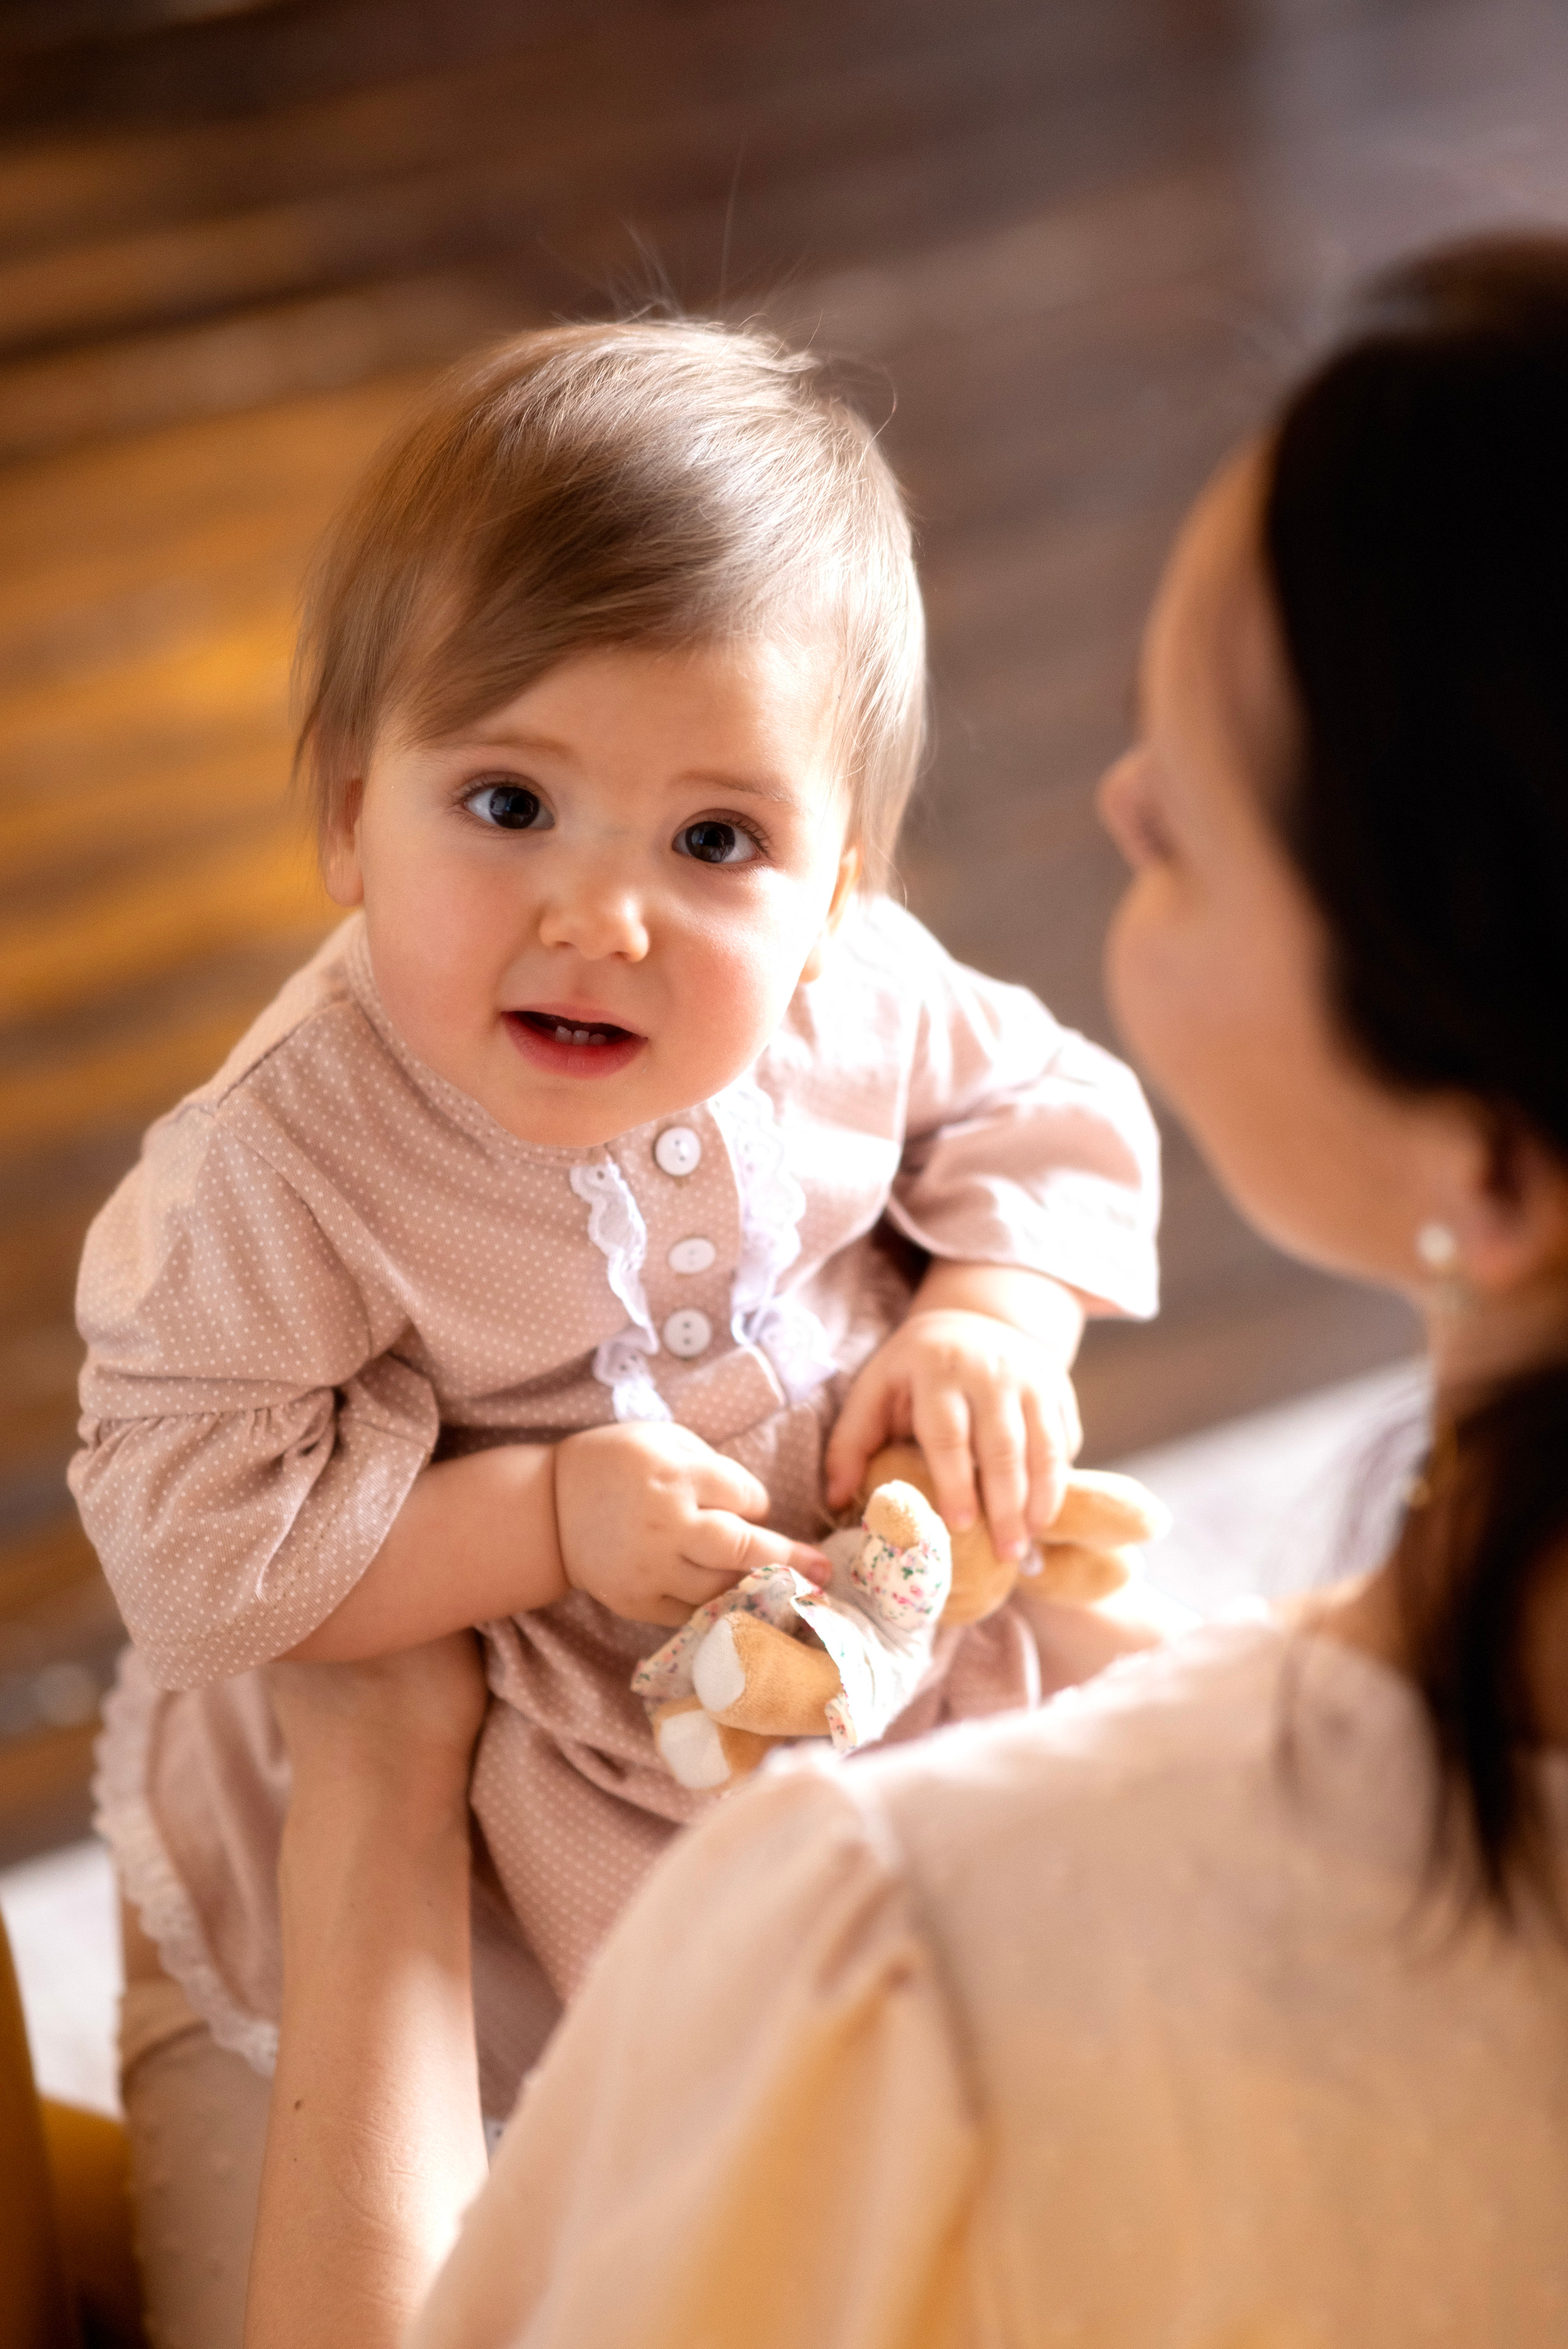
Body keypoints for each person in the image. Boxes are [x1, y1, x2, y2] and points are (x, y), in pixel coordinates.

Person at [243, 234, 1568, 2349]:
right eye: (508, 801)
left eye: (1202, 819)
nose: (1116, 794)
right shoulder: (293, 1171)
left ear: (1488, 1166)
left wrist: (382, 1796)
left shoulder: (896, 1933)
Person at [69, 319, 1163, 2345]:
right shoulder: (286, 1167)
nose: (604, 916)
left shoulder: (861, 994)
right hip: (462, 1756)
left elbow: (1044, 1105)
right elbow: (195, 1544)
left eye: (715, 842)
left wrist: (999, 1314)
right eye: (507, 802)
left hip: (838, 1645)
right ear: (342, 809)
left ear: (842, 882)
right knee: (538, 2221)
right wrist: (542, 1519)